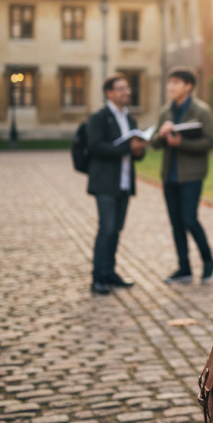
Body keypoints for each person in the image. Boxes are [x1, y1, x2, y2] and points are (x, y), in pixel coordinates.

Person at [151, 66, 213, 284]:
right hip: (169, 176)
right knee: (176, 223)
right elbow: (153, 143)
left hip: (192, 175)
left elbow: (210, 141)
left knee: (189, 218)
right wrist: (162, 135)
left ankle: (208, 262)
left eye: (176, 82)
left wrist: (183, 143)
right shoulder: (165, 111)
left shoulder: (202, 111)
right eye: (170, 82)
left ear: (189, 86)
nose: (171, 86)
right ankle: (184, 268)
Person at [86, 73, 147, 295]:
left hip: (124, 182)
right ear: (109, 93)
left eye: (127, 88)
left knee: (117, 230)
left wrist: (139, 150)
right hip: (105, 182)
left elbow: (134, 153)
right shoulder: (99, 117)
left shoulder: (129, 118)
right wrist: (127, 149)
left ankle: (110, 273)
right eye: (121, 89)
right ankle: (98, 278)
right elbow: (96, 147)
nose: (126, 92)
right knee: (107, 229)